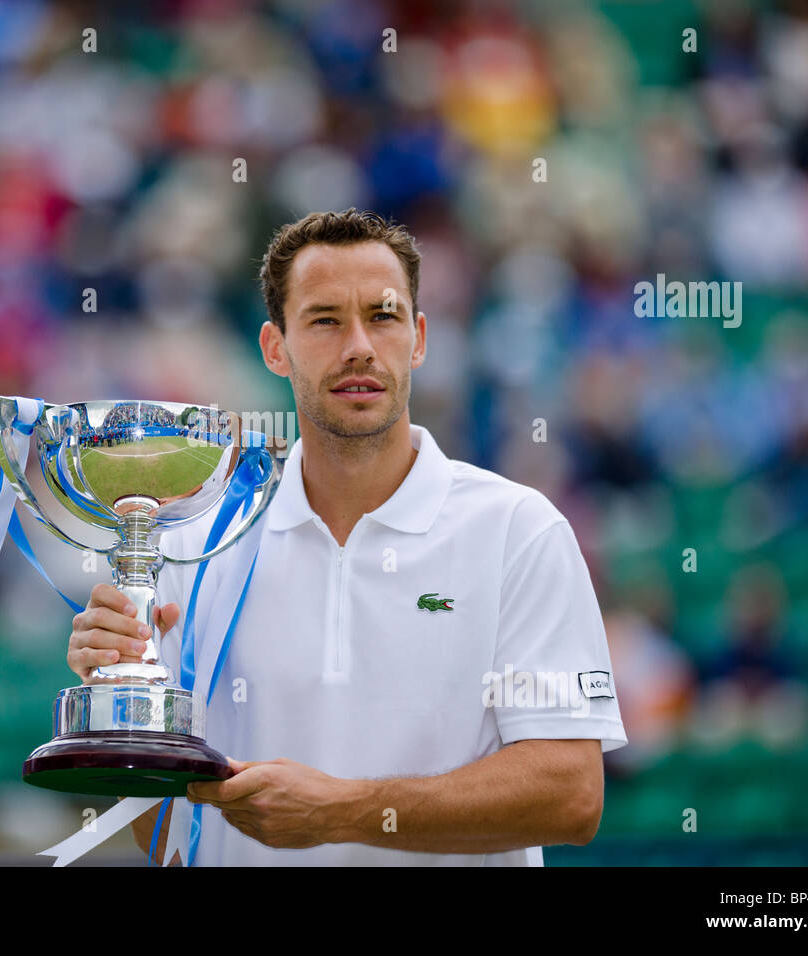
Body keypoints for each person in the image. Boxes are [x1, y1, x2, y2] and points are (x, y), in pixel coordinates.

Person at [66, 209, 627, 865]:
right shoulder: (194, 542)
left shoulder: (518, 532)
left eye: (383, 316)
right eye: (325, 319)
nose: (358, 344)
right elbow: (165, 837)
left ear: (418, 339)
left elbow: (571, 796)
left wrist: (346, 812)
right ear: (276, 348)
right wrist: (121, 699)